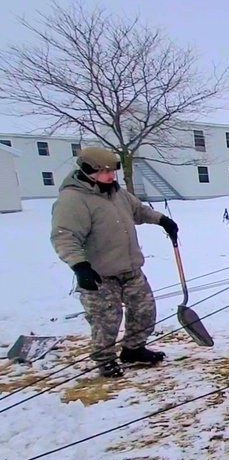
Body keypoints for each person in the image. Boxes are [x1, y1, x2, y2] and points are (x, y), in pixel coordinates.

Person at [50, 147, 179, 378]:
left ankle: (133, 349)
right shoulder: (73, 200)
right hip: (99, 274)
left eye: (113, 171)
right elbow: (64, 235)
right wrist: (80, 266)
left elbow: (138, 211)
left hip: (130, 269)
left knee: (144, 311)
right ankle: (105, 359)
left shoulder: (116, 193)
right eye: (105, 171)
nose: (111, 176)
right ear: (89, 171)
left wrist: (161, 220)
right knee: (106, 321)